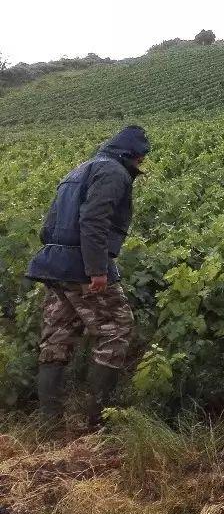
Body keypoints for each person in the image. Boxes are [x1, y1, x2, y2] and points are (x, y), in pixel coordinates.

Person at [26, 125, 151, 429]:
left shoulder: (79, 170)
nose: (141, 165)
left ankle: (49, 425)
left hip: (55, 264)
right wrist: (96, 269)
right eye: (142, 159)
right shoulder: (113, 173)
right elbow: (94, 219)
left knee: (56, 337)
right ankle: (99, 421)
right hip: (82, 265)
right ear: (132, 155)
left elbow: (48, 224)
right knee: (116, 328)